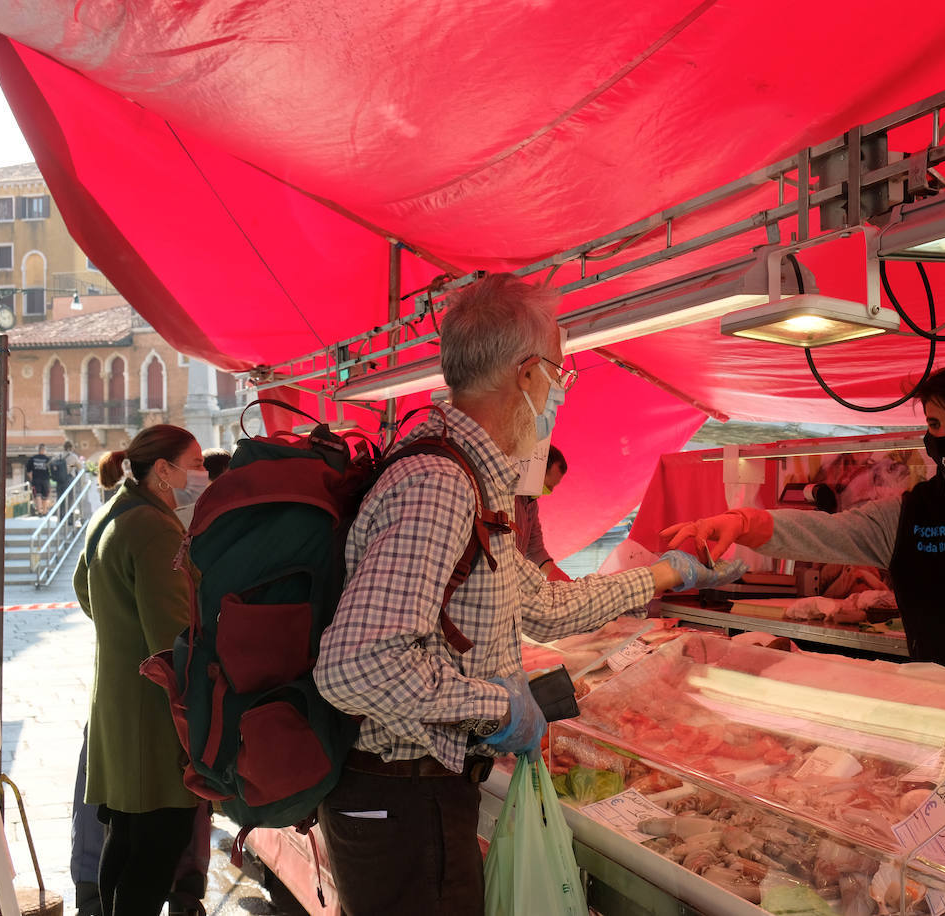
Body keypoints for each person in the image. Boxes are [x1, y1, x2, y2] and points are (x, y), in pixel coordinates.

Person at [312, 273, 740, 916]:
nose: (559, 394)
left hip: (424, 796)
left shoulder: (475, 482)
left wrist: (667, 575)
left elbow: (543, 605)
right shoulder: (439, 483)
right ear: (529, 373)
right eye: (561, 375)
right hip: (398, 800)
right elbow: (355, 666)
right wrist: (495, 706)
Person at [664, 361, 945, 698]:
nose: (943, 436)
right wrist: (744, 521)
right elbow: (822, 533)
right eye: (934, 424)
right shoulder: (903, 515)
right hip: (935, 708)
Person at [74, 425, 210, 916]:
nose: (202, 474)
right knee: (155, 849)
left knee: (125, 837)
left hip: (115, 701)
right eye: (194, 464)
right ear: (163, 471)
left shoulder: (112, 512)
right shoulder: (156, 529)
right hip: (153, 716)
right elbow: (173, 639)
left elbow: (85, 594)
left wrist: (120, 633)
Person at [515, 444, 570, 580]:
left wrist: (560, 579)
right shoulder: (510, 498)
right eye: (548, 486)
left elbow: (535, 551)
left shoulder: (532, 505)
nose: (550, 492)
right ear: (537, 471)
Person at [25, 443, 51, 515]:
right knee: (45, 496)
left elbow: (28, 471)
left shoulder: (33, 458)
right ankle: (45, 511)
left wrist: (32, 479)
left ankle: (39, 511)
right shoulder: (47, 459)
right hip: (45, 480)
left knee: (37, 495)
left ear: (38, 450)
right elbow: (51, 471)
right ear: (44, 450)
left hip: (36, 479)